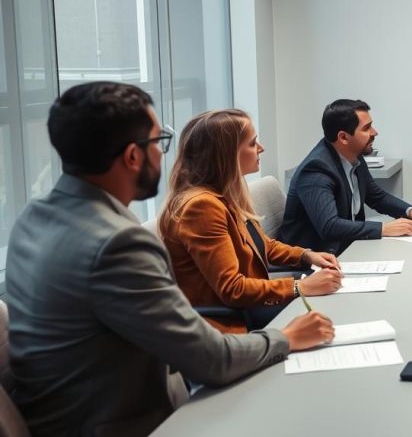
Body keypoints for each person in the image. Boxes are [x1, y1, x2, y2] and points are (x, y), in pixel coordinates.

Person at [5, 82, 335, 437]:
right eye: (158, 142)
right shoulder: (119, 242)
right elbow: (211, 359)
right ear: (133, 156)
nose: (166, 154)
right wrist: (286, 337)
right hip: (132, 422)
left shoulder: (31, 219)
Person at [159, 109, 343, 333]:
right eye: (252, 143)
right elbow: (232, 289)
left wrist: (306, 255)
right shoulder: (202, 207)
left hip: (251, 304)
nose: (261, 148)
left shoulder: (227, 193)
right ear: (227, 154)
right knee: (331, 316)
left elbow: (263, 245)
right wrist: (299, 287)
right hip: (229, 323)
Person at [281, 99, 412, 254]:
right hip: (313, 263)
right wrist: (383, 229)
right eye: (367, 128)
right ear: (343, 137)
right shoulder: (316, 169)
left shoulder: (354, 155)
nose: (375, 132)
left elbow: (377, 197)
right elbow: (329, 227)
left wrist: (409, 211)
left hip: (347, 249)